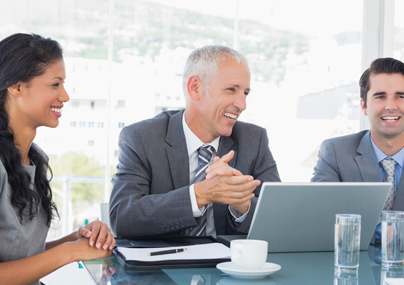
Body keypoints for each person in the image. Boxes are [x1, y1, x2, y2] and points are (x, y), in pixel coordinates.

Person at [0, 33, 113, 285]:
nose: (64, 96)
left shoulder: (33, 157)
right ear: (16, 86)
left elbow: (19, 257)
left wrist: (76, 239)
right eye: (55, 84)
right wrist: (71, 252)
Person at [108, 45, 280, 239]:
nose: (242, 104)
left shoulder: (253, 140)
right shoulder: (141, 137)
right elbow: (122, 218)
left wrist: (242, 203)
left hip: (229, 266)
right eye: (231, 90)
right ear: (195, 88)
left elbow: (281, 217)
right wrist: (199, 195)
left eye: (245, 93)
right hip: (163, 264)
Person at [311, 57, 404, 243]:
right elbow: (321, 221)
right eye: (380, 97)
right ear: (364, 106)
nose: (390, 106)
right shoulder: (335, 153)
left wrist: (364, 227)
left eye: (400, 96)